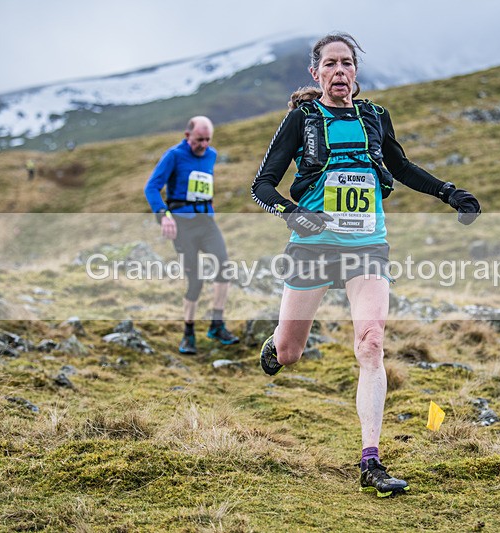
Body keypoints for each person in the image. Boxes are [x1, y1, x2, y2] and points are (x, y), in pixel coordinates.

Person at [250, 32, 481, 498]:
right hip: (313, 248)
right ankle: (275, 345)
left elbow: (400, 166)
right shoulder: (303, 119)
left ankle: (371, 461)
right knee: (291, 352)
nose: (340, 72)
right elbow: (263, 185)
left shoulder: (375, 116)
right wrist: (296, 215)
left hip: (367, 248)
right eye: (331, 64)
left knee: (371, 344)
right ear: (316, 74)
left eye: (348, 63)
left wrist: (449, 193)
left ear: (356, 72)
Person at [145, 115, 240, 354]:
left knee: (224, 268)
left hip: (206, 222)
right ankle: (188, 334)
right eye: (199, 140)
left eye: (208, 140)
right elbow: (152, 187)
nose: (204, 145)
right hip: (182, 225)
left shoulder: (211, 155)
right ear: (187, 136)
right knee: (195, 279)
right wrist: (163, 215)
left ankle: (217, 324)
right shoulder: (174, 156)